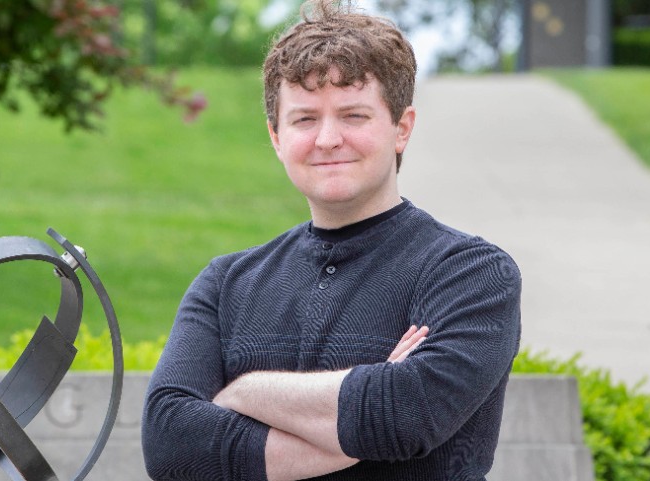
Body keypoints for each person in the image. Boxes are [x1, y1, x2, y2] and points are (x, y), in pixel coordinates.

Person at [141, 1, 521, 479]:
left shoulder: (471, 274)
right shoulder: (225, 286)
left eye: (353, 115)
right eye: (303, 119)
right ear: (276, 137)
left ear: (401, 129)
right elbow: (169, 445)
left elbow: (403, 417)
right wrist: (361, 407)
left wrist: (244, 392)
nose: (327, 139)